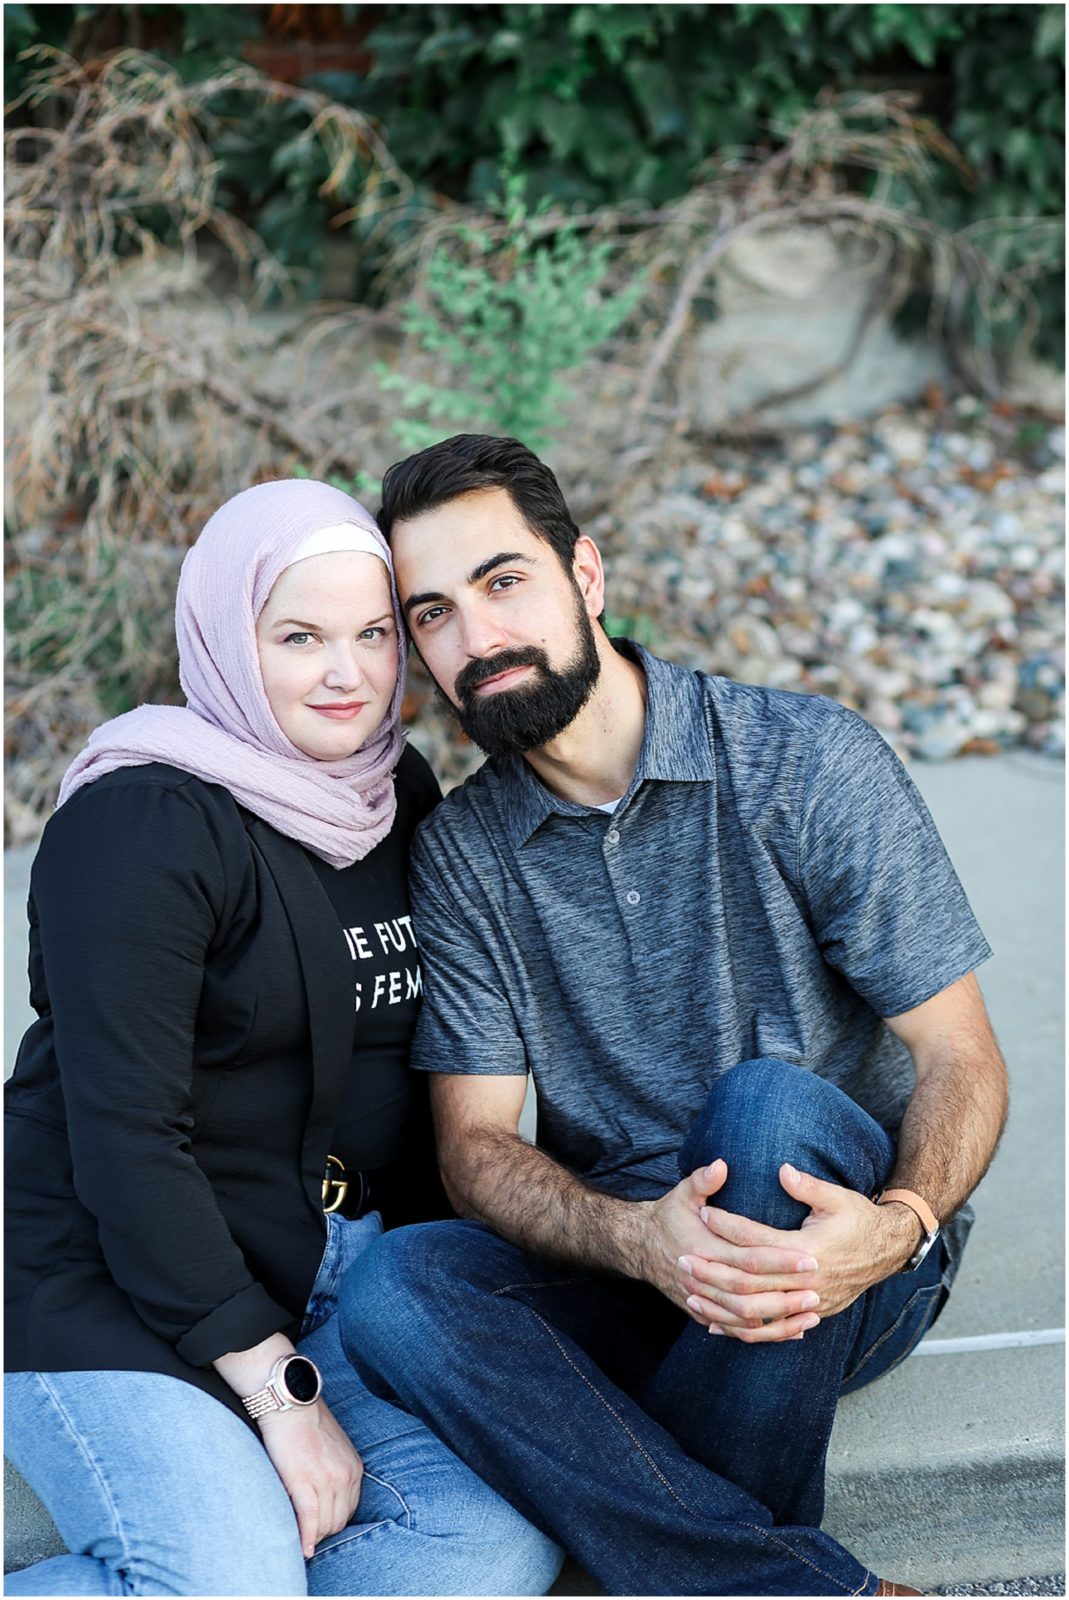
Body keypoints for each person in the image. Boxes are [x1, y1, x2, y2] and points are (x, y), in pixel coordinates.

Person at [338, 434, 1010, 1597]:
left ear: (584, 575)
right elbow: (476, 1149)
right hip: (632, 1268)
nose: (477, 638)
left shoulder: (802, 760)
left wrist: (898, 1224)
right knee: (397, 1289)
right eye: (433, 613)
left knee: (763, 1112)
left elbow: (961, 1055)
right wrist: (638, 1240)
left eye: (504, 583)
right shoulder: (460, 855)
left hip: (836, 1253)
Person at [3, 478, 562, 1598]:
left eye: (370, 634)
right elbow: (123, 1138)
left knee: (488, 1551)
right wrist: (280, 1399)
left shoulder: (390, 791)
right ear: (223, 635)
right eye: (298, 636)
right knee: (223, 1582)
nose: (346, 675)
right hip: (108, 1279)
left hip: (323, 1274)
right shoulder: (142, 822)